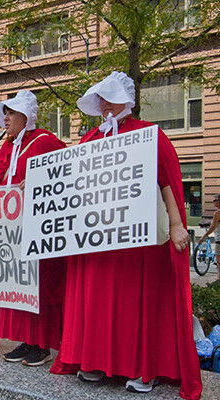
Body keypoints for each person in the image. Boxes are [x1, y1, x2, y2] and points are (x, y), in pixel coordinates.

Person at [50, 71, 202, 400]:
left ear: (125, 99)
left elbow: (166, 182)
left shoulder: (149, 134)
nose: (104, 103)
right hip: (98, 242)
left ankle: (141, 368)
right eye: (100, 98)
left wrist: (177, 224)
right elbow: (70, 185)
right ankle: (96, 361)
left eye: (109, 97)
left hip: (139, 243)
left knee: (135, 304)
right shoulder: (90, 141)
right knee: (99, 302)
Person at [0, 90, 66, 365]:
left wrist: (40, 183)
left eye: (11, 113)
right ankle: (28, 340)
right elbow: (5, 176)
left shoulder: (45, 142)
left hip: (38, 227)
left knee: (38, 284)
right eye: (4, 113)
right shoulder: (9, 146)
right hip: (14, 227)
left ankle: (42, 344)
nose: (5, 118)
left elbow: (64, 174)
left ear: (25, 116)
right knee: (21, 283)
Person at [197, 193, 220, 280]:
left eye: (214, 200)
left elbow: (213, 227)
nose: (213, 202)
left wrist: (204, 237)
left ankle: (219, 278)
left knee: (218, 258)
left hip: (219, 239)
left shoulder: (217, 213)